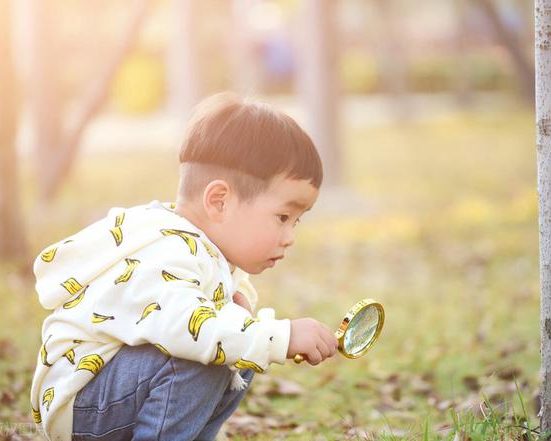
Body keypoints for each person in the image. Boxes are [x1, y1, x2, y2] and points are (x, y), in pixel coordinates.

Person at [30, 92, 339, 441]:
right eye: (283, 217)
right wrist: (280, 336)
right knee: (212, 350)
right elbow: (191, 330)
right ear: (219, 201)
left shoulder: (198, 244)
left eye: (296, 222)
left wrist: (243, 318)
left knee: (238, 346)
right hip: (84, 403)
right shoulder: (164, 250)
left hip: (113, 393)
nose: (289, 237)